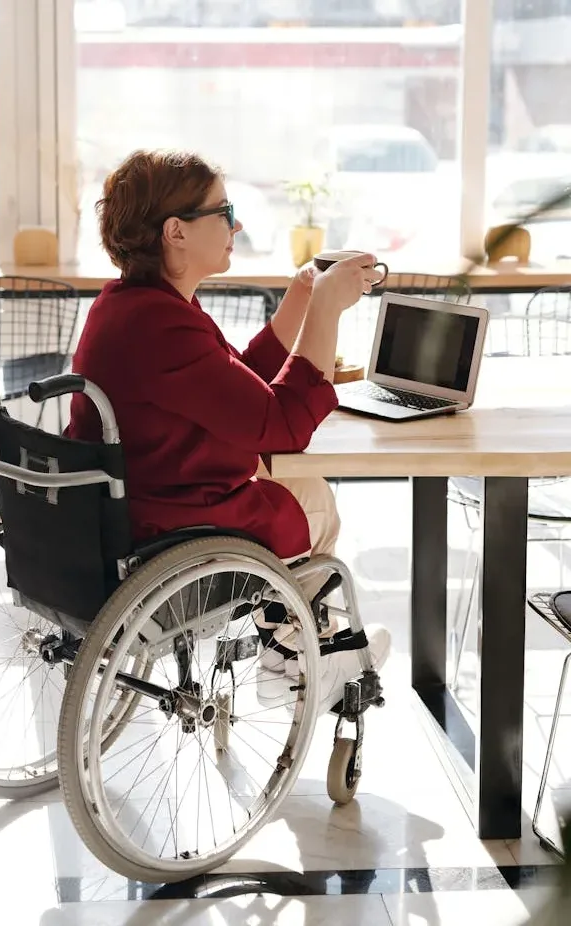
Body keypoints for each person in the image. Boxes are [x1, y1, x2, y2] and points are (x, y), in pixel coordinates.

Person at [65, 149, 390, 713]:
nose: (236, 224)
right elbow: (281, 425)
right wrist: (328, 315)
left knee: (303, 491)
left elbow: (235, 389)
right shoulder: (161, 324)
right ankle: (295, 657)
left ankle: (286, 643)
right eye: (223, 211)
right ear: (176, 232)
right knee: (314, 501)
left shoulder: (133, 306)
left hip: (131, 503)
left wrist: (301, 299)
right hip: (170, 523)